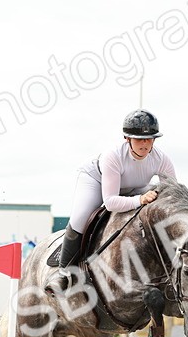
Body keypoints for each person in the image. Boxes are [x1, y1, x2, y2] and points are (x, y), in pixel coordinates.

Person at [47, 109, 174, 292]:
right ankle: (63, 272)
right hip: (96, 181)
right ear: (127, 139)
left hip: (134, 188)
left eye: (149, 139)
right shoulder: (114, 156)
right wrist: (141, 199)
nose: (144, 144)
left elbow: (171, 193)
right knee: (81, 217)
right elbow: (110, 203)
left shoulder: (162, 159)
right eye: (139, 139)